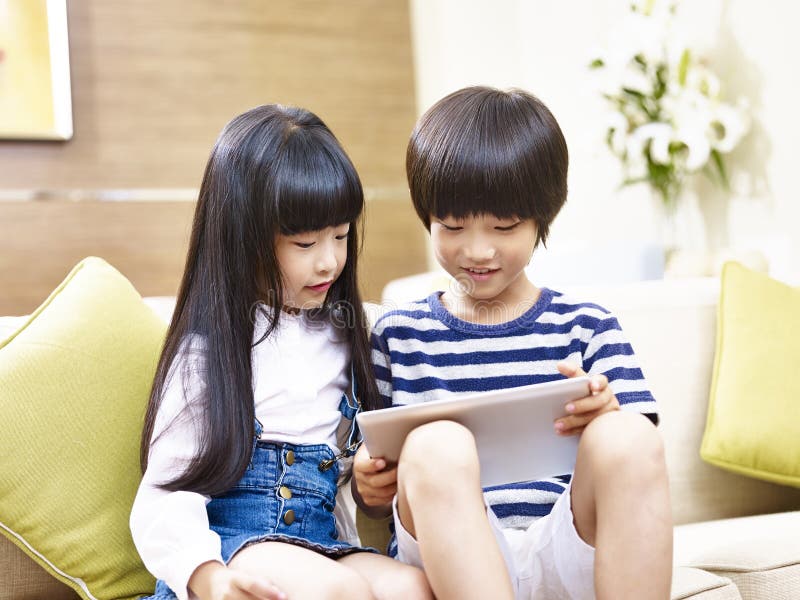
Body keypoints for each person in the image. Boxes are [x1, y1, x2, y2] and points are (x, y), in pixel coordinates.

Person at [352, 86, 673, 599]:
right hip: (451, 555)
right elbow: (366, 485)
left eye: (504, 226)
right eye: (452, 226)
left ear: (542, 218)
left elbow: (636, 465)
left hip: (564, 542)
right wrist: (367, 486)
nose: (478, 251)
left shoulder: (587, 326)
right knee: (436, 444)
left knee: (629, 435)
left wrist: (609, 417)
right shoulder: (396, 336)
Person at [130, 104, 432, 600]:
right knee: (338, 591)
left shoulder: (355, 330)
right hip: (231, 548)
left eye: (341, 235)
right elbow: (164, 496)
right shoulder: (209, 353)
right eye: (305, 242)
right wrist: (209, 578)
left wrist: (368, 484)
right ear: (242, 240)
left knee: (413, 587)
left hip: (319, 542)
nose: (330, 260)